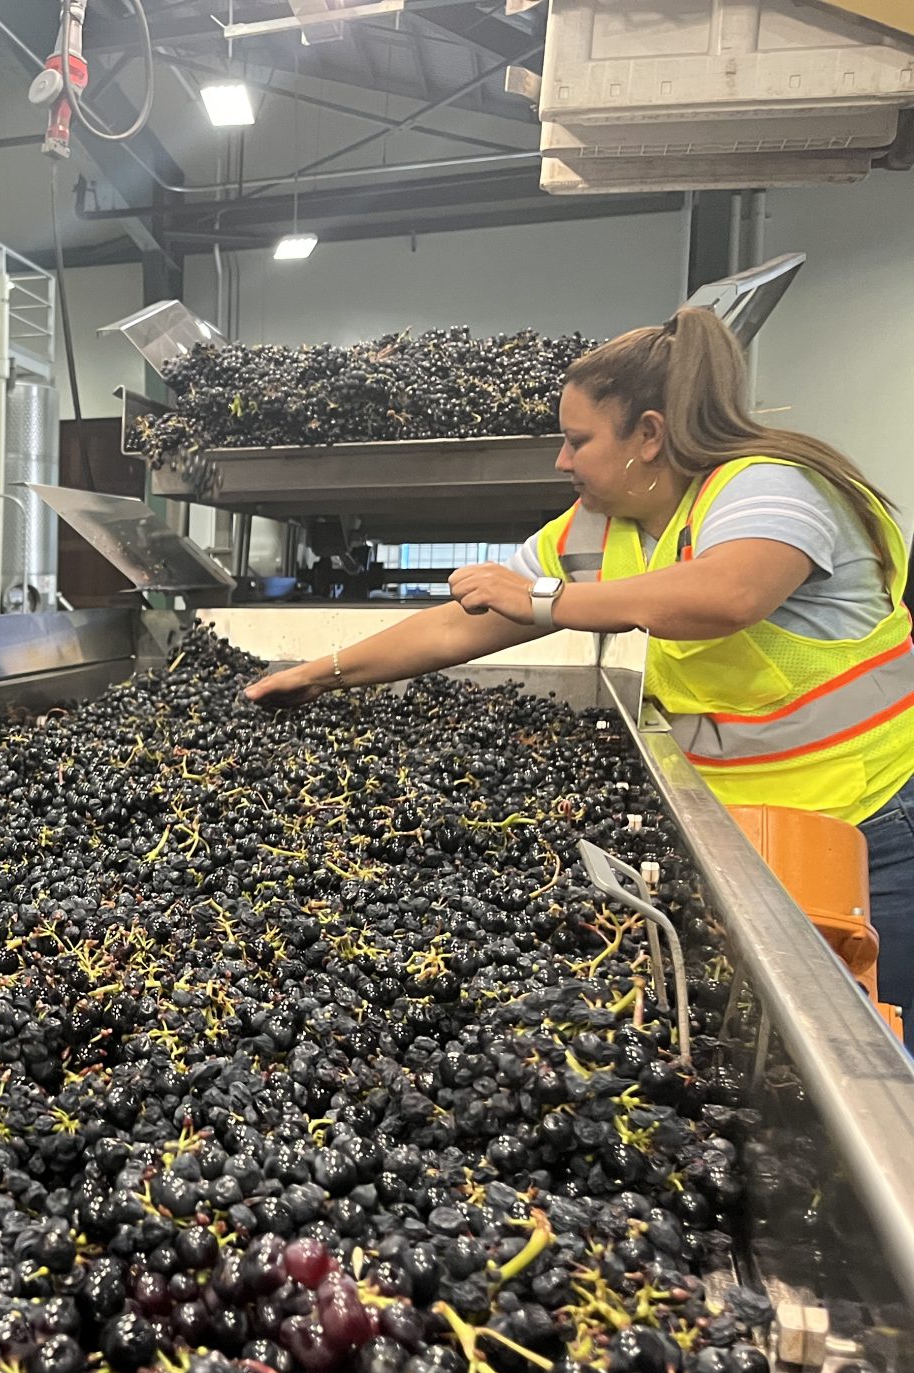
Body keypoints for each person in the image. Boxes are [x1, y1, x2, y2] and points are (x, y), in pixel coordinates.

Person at [246, 306, 914, 1011]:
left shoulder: (767, 486)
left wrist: (546, 599)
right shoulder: (601, 525)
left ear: (648, 435)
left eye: (577, 441)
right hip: (740, 830)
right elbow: (460, 627)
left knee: (875, 1046)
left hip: (869, 827)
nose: (562, 462)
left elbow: (729, 593)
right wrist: (318, 675)